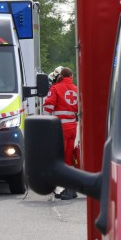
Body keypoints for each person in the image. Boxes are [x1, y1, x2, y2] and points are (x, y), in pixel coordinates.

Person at [43, 67, 79, 200]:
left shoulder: (56, 88)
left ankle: (67, 188)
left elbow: (48, 107)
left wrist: (44, 122)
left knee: (58, 159)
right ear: (71, 76)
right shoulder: (75, 89)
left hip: (60, 128)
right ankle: (71, 188)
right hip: (72, 128)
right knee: (69, 159)